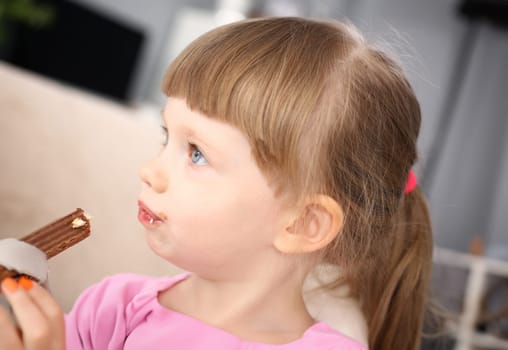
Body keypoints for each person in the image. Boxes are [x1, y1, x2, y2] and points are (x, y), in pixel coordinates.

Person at [0, 16, 433, 350]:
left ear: (303, 223)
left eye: (197, 153)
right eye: (167, 136)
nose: (149, 170)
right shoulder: (111, 308)